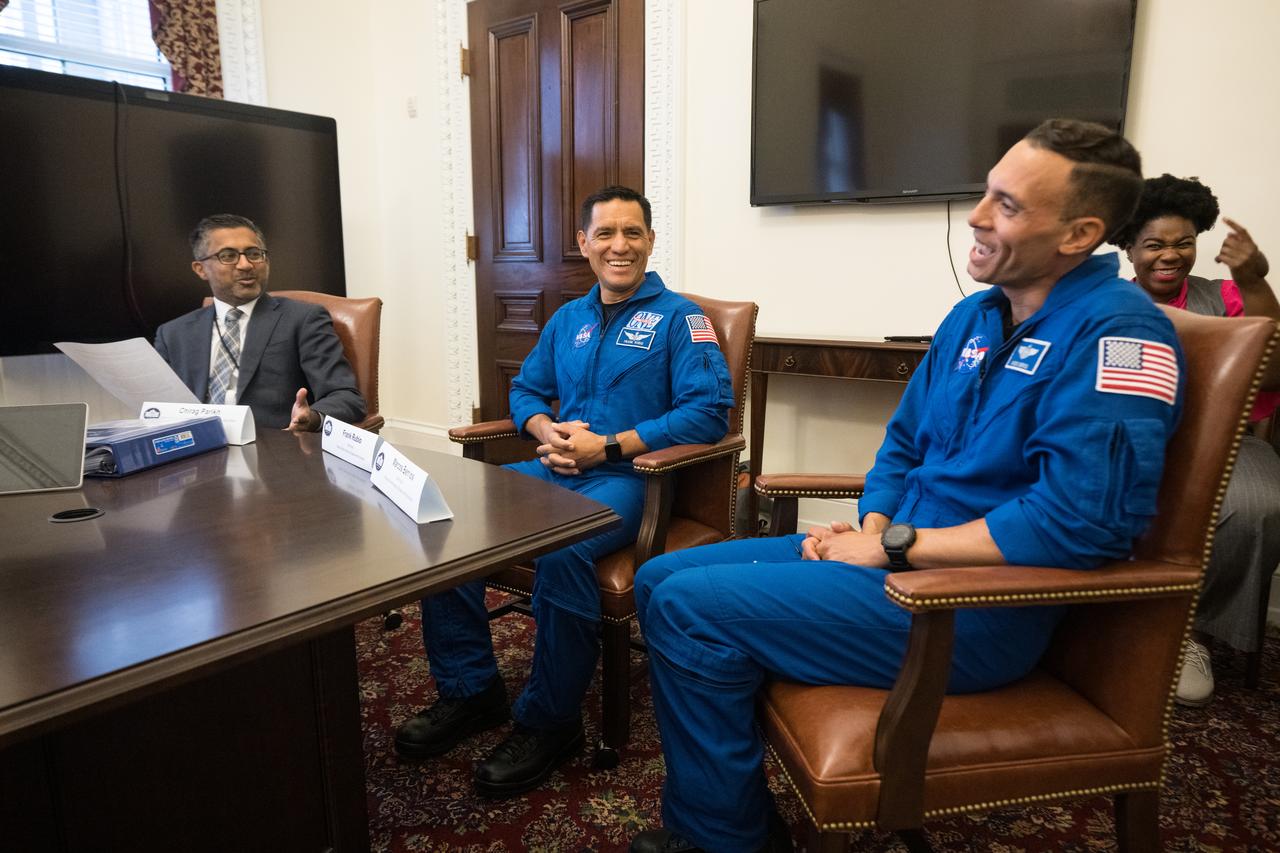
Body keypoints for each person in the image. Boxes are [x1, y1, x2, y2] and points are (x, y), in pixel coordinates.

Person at [628, 120, 1184, 853]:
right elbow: (904, 442)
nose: (978, 215)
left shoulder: (1122, 336)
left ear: (1081, 233)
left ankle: (727, 836)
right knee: (661, 574)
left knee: (692, 609)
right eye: (987, 191)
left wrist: (893, 545)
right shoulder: (974, 315)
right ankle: (731, 797)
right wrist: (874, 525)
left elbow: (1080, 522)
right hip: (896, 562)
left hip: (970, 610)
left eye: (1008, 206)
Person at [394, 186, 736, 797]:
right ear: (584, 243)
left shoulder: (683, 319)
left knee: (561, 545)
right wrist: (544, 428)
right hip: (555, 469)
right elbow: (526, 389)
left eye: (633, 232)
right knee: (443, 519)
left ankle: (551, 722)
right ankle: (472, 690)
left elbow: (709, 413)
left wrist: (607, 446)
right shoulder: (568, 319)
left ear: (652, 241)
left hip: (632, 481)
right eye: (605, 233)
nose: (619, 245)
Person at [1110, 174, 1280, 707]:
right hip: (1132, 441)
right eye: (1155, 244)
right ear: (1130, 249)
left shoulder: (1225, 297)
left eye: (1184, 243)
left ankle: (1190, 633)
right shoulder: (1106, 303)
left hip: (1228, 443)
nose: (1171, 256)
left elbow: (1271, 373)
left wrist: (1254, 281)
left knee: (1257, 506)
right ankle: (1098, 622)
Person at [154, 213, 366, 431]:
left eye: (254, 254)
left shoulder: (302, 319)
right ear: (201, 269)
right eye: (228, 256)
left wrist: (311, 417)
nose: (246, 265)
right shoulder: (172, 334)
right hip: (194, 449)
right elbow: (157, 407)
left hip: (272, 450)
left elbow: (346, 397)